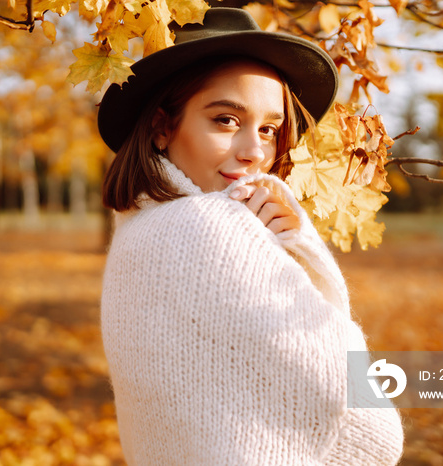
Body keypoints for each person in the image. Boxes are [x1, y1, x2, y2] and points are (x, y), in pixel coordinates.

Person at [97, 7, 404, 465]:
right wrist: (301, 249)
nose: (254, 151)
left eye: (269, 129)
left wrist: (288, 245)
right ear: (163, 126)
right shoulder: (211, 230)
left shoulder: (138, 234)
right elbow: (369, 423)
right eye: (225, 120)